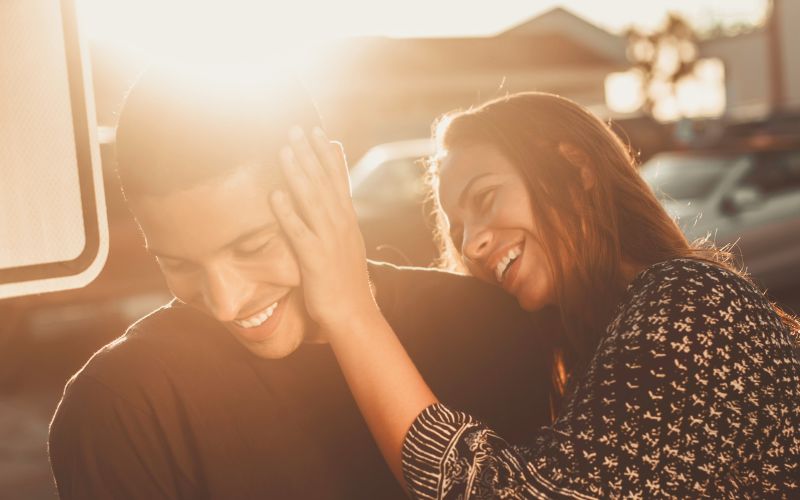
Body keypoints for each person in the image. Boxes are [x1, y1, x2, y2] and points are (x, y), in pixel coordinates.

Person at [47, 67, 560, 499]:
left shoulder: (486, 329)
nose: (225, 303)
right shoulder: (118, 408)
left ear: (330, 180)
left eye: (253, 247)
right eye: (178, 263)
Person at [274, 92, 800, 498]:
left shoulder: (692, 305)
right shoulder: (593, 349)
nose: (471, 242)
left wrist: (351, 311)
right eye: (455, 227)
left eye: (484, 198)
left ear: (576, 171)